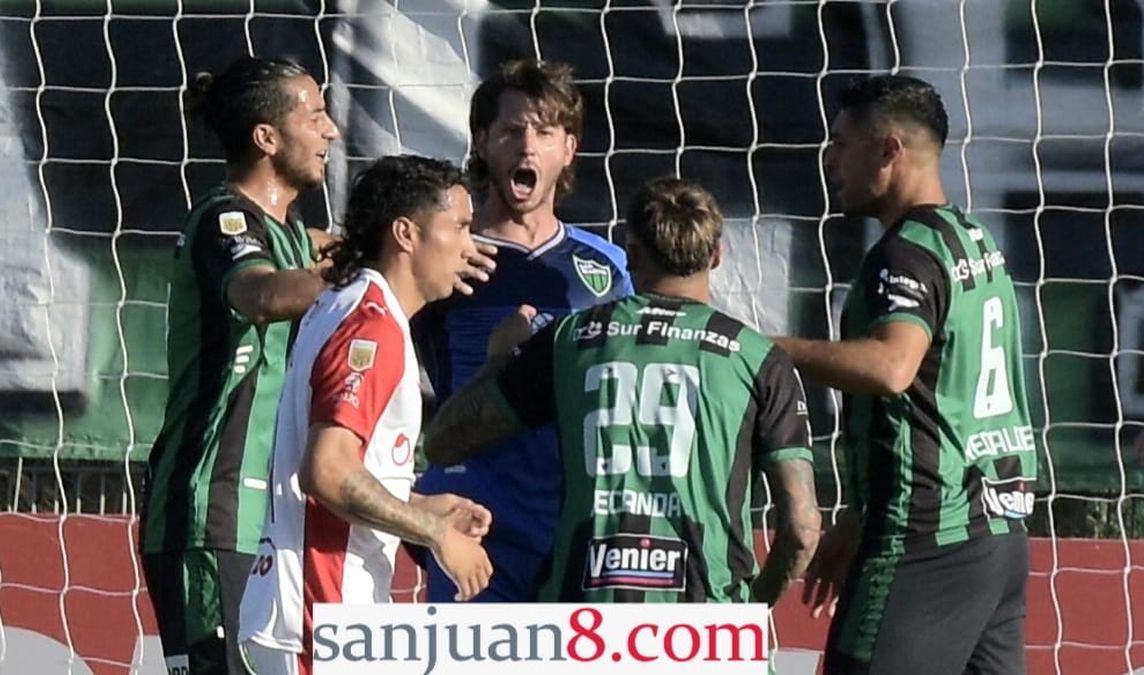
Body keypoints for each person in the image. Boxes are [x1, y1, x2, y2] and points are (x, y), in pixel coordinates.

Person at [425, 176, 821, 605]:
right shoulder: (759, 359)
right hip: (708, 619)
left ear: (630, 254)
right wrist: (752, 610)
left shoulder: (567, 341)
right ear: (717, 255)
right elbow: (802, 529)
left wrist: (499, 358)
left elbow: (444, 442)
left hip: (587, 618)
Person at [774, 75, 1037, 674]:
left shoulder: (905, 253)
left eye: (842, 144)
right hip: (996, 534)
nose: (830, 160)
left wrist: (769, 350)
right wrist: (861, 511)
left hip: (924, 541)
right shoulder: (972, 237)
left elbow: (893, 367)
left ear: (889, 150)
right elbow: (936, 394)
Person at [237, 155, 494, 675]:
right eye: (460, 227)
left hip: (318, 609)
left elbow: (336, 467)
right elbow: (326, 471)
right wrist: (435, 532)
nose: (470, 247)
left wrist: (415, 501)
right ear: (406, 233)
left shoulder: (351, 306)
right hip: (319, 612)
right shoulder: (370, 325)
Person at [139, 56, 342, 675]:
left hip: (271, 520)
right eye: (315, 115)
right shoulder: (222, 219)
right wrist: (357, 278)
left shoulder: (293, 234)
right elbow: (259, 294)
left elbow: (344, 251)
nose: (331, 130)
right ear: (266, 137)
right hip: (212, 510)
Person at [412, 59, 634, 602]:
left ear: (569, 149)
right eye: (511, 131)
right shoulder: (444, 257)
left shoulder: (606, 266)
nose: (527, 147)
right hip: (472, 520)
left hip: (579, 521)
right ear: (482, 142)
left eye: (545, 132)